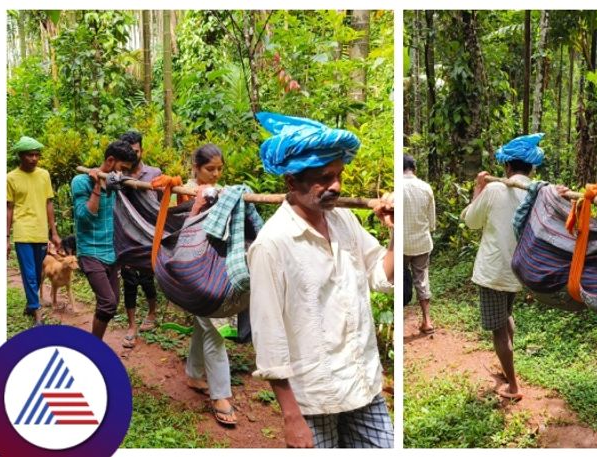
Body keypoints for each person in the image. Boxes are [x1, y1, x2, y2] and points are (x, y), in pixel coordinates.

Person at [248, 112, 394, 448]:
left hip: (362, 383)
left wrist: (395, 233)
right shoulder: (272, 244)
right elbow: (269, 337)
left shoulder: (342, 220)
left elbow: (379, 276)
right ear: (291, 183)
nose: (337, 187)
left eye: (339, 175)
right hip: (312, 399)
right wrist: (291, 417)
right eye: (324, 178)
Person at [461, 133, 545, 401]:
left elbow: (471, 221)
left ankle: (513, 385)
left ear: (507, 166)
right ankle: (507, 366)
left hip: (493, 272)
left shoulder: (496, 189)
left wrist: (477, 190)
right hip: (520, 269)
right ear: (530, 167)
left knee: (499, 330)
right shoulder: (538, 192)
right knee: (506, 315)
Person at [180, 143, 238, 427]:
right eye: (209, 169)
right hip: (195, 269)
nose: (215, 174)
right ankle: (221, 396)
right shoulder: (187, 190)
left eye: (219, 169)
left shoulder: (222, 192)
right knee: (214, 326)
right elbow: (180, 229)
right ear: (196, 168)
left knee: (204, 324)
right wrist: (199, 203)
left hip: (216, 267)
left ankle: (193, 373)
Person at [71, 140, 137, 340]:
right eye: (122, 168)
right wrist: (98, 186)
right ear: (110, 161)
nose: (123, 174)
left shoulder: (116, 184)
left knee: (110, 303)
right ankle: (94, 348)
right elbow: (86, 216)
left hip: (111, 252)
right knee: (108, 302)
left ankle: (93, 343)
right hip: (90, 252)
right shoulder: (81, 182)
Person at [7, 136, 62, 326]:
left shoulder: (44, 175)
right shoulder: (11, 178)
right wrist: (6, 237)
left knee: (38, 273)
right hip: (22, 231)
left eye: (37, 155)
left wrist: (54, 233)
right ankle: (37, 310)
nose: (34, 158)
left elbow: (48, 203)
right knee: (29, 273)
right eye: (30, 155)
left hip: (40, 231)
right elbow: (9, 208)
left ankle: (30, 304)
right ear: (21, 156)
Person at [118, 131, 162, 348]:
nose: (133, 156)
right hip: (127, 237)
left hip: (149, 236)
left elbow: (161, 205)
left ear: (141, 150)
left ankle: (152, 313)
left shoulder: (154, 173)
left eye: (136, 151)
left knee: (147, 277)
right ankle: (132, 325)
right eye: (129, 153)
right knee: (129, 280)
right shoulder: (119, 175)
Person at [403, 154, 436, 333]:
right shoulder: (426, 188)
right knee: (422, 279)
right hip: (422, 242)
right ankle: (427, 321)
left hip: (400, 244)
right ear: (414, 168)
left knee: (398, 280)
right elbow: (432, 222)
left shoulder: (397, 188)